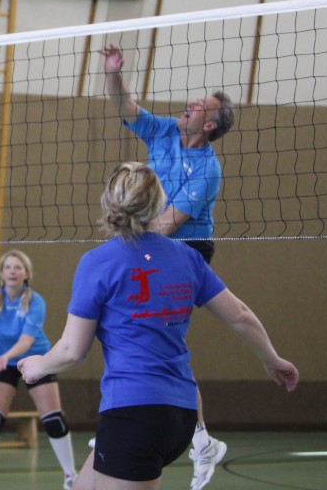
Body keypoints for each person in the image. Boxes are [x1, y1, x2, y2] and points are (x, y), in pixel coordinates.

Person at [18, 163, 299, 490]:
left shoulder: (98, 262)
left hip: (134, 412)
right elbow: (240, 315)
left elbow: (72, 351)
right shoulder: (187, 257)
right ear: (160, 203)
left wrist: (39, 365)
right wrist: (271, 359)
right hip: (181, 416)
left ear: (110, 202)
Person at [102, 43, 236, 490]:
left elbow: (166, 224)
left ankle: (163, 425)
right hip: (150, 245)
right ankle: (199, 439)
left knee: (157, 338)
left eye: (202, 105)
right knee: (152, 338)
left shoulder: (208, 170)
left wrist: (123, 237)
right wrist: (114, 72)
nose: (192, 102)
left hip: (186, 249)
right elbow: (125, 105)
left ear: (210, 124)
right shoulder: (163, 130)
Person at [0, 250, 76, 490]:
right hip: (2, 363)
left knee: (52, 417)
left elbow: (26, 341)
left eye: (18, 267)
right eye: (8, 267)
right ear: (1, 274)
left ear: (26, 274)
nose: (12, 271)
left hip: (35, 360)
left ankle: (71, 477)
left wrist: (6, 356)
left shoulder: (36, 302)